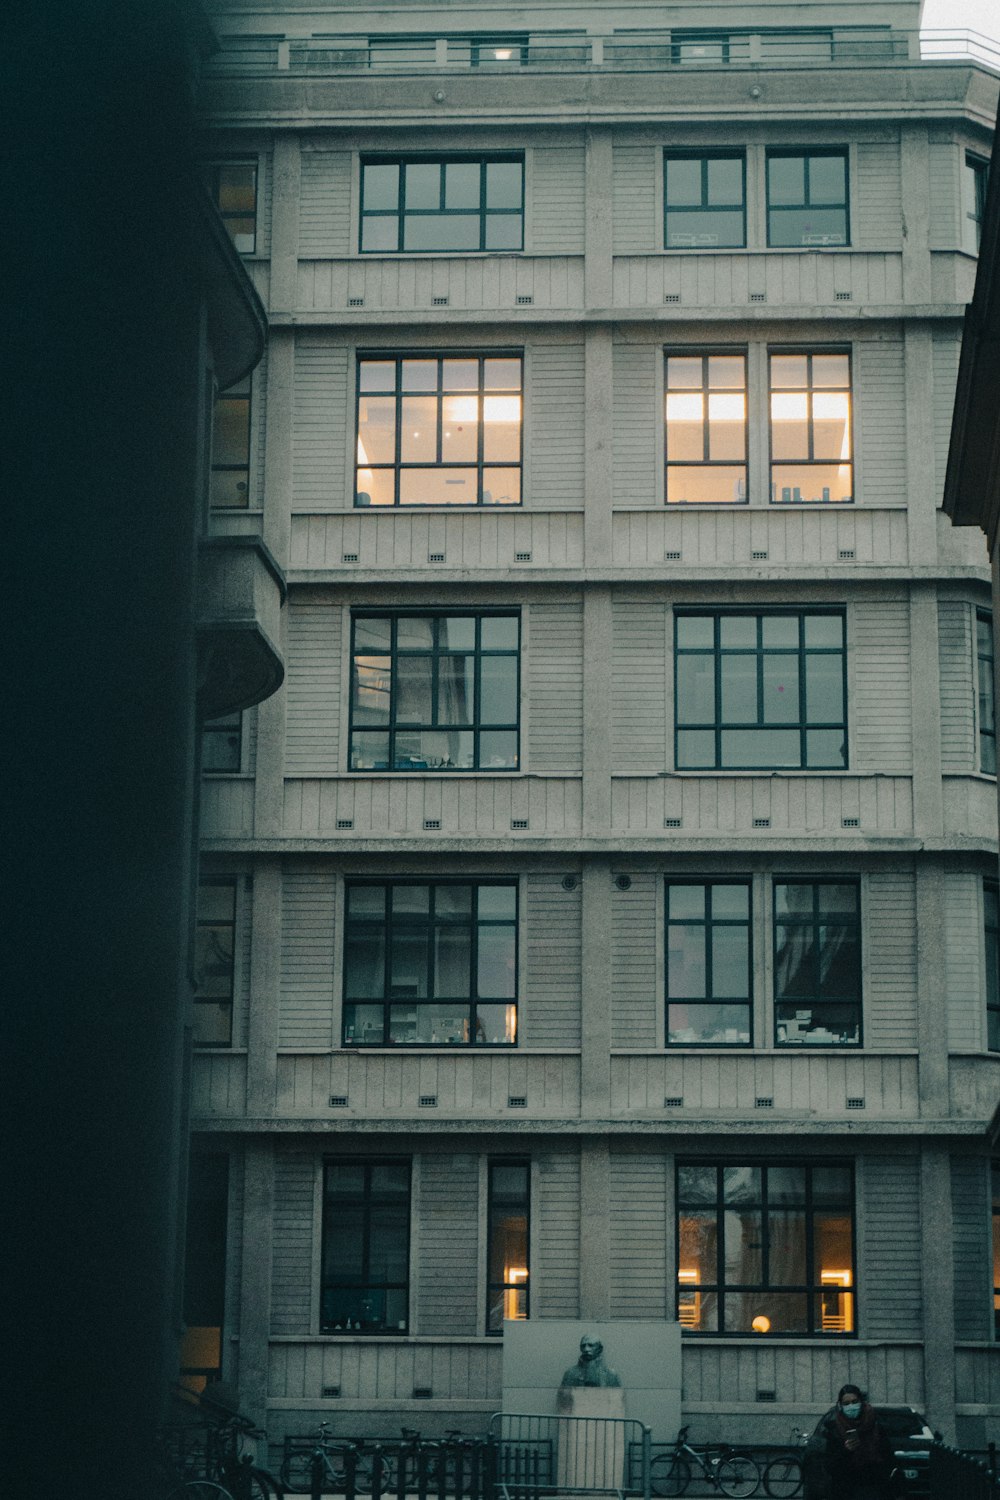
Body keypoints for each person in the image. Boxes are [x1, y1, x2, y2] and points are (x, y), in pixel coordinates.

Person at [803, 1385, 896, 1500]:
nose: (851, 1406)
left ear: (861, 1402)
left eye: (854, 1401)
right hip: (845, 1488)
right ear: (840, 1405)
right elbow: (829, 1464)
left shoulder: (875, 1424)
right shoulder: (833, 1428)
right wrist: (846, 1450)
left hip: (872, 1486)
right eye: (846, 1403)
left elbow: (888, 1456)